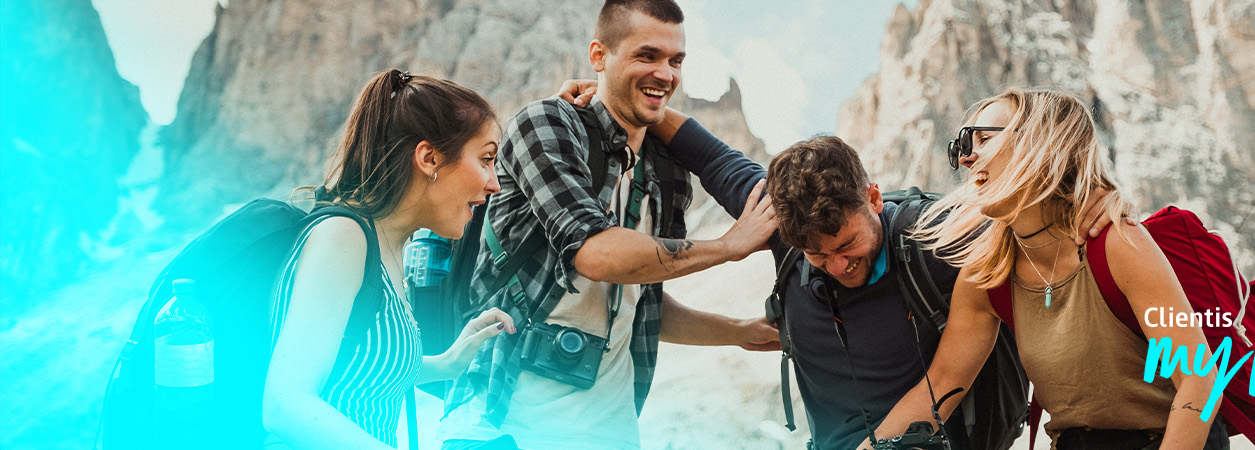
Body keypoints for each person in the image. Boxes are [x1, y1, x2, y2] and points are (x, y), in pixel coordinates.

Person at [549, 77, 1120, 448]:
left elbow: (1033, 214)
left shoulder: (936, 238)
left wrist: (1095, 197)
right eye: (815, 256)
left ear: (873, 198)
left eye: (848, 247)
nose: (836, 266)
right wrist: (619, 96)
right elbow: (708, 154)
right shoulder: (783, 228)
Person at [436, 1, 780, 449]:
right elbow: (596, 254)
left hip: (612, 433)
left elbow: (641, 300)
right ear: (598, 56)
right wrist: (728, 246)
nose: (666, 74)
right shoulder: (547, 125)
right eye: (647, 56)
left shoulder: (665, 173)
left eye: (676, 61)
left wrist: (736, 333)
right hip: (501, 426)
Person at [912, 87, 1229, 450]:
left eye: (983, 139)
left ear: (1039, 142)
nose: (967, 157)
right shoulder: (987, 274)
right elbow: (937, 389)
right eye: (962, 146)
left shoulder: (1117, 245)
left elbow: (1200, 384)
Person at [262, 69, 518, 450]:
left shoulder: (387, 247)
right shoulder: (343, 237)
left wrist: (449, 360)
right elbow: (286, 404)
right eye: (485, 159)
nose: (494, 183)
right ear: (429, 158)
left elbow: (361, 368)